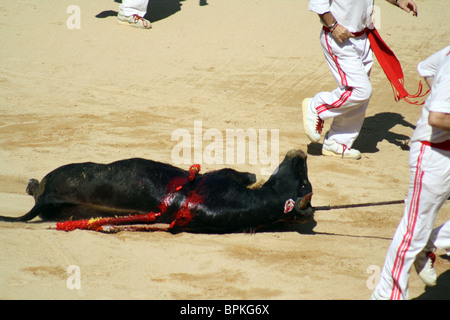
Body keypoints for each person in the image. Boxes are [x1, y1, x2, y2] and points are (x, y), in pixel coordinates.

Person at [371, 45, 450, 300]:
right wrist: (440, 96)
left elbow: (426, 67)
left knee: (419, 232)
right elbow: (437, 118)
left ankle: (432, 243)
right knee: (414, 229)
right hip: (435, 155)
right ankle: (387, 295)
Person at [304, 0, 418, 159]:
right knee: (361, 91)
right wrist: (334, 26)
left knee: (357, 98)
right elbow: (319, 2)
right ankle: (317, 105)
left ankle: (337, 143)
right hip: (339, 39)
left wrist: (398, 0)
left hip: (363, 37)